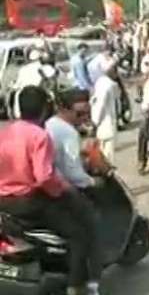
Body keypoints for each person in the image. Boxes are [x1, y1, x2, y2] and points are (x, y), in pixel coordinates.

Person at [0, 86, 97, 295]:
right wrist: (63, 191)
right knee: (79, 233)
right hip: (30, 202)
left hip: (5, 201)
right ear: (45, 109)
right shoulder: (39, 136)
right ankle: (76, 286)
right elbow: (44, 177)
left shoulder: (6, 132)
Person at [45, 88, 104, 294]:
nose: (83, 118)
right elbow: (74, 173)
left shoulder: (50, 124)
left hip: (44, 191)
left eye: (86, 113)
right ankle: (89, 284)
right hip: (64, 191)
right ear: (65, 110)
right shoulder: (68, 132)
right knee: (93, 229)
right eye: (79, 114)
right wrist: (93, 182)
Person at [90, 61, 120, 165]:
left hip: (103, 125)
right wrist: (95, 122)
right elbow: (100, 105)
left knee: (102, 156)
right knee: (107, 158)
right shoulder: (108, 85)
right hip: (106, 125)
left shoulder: (101, 82)